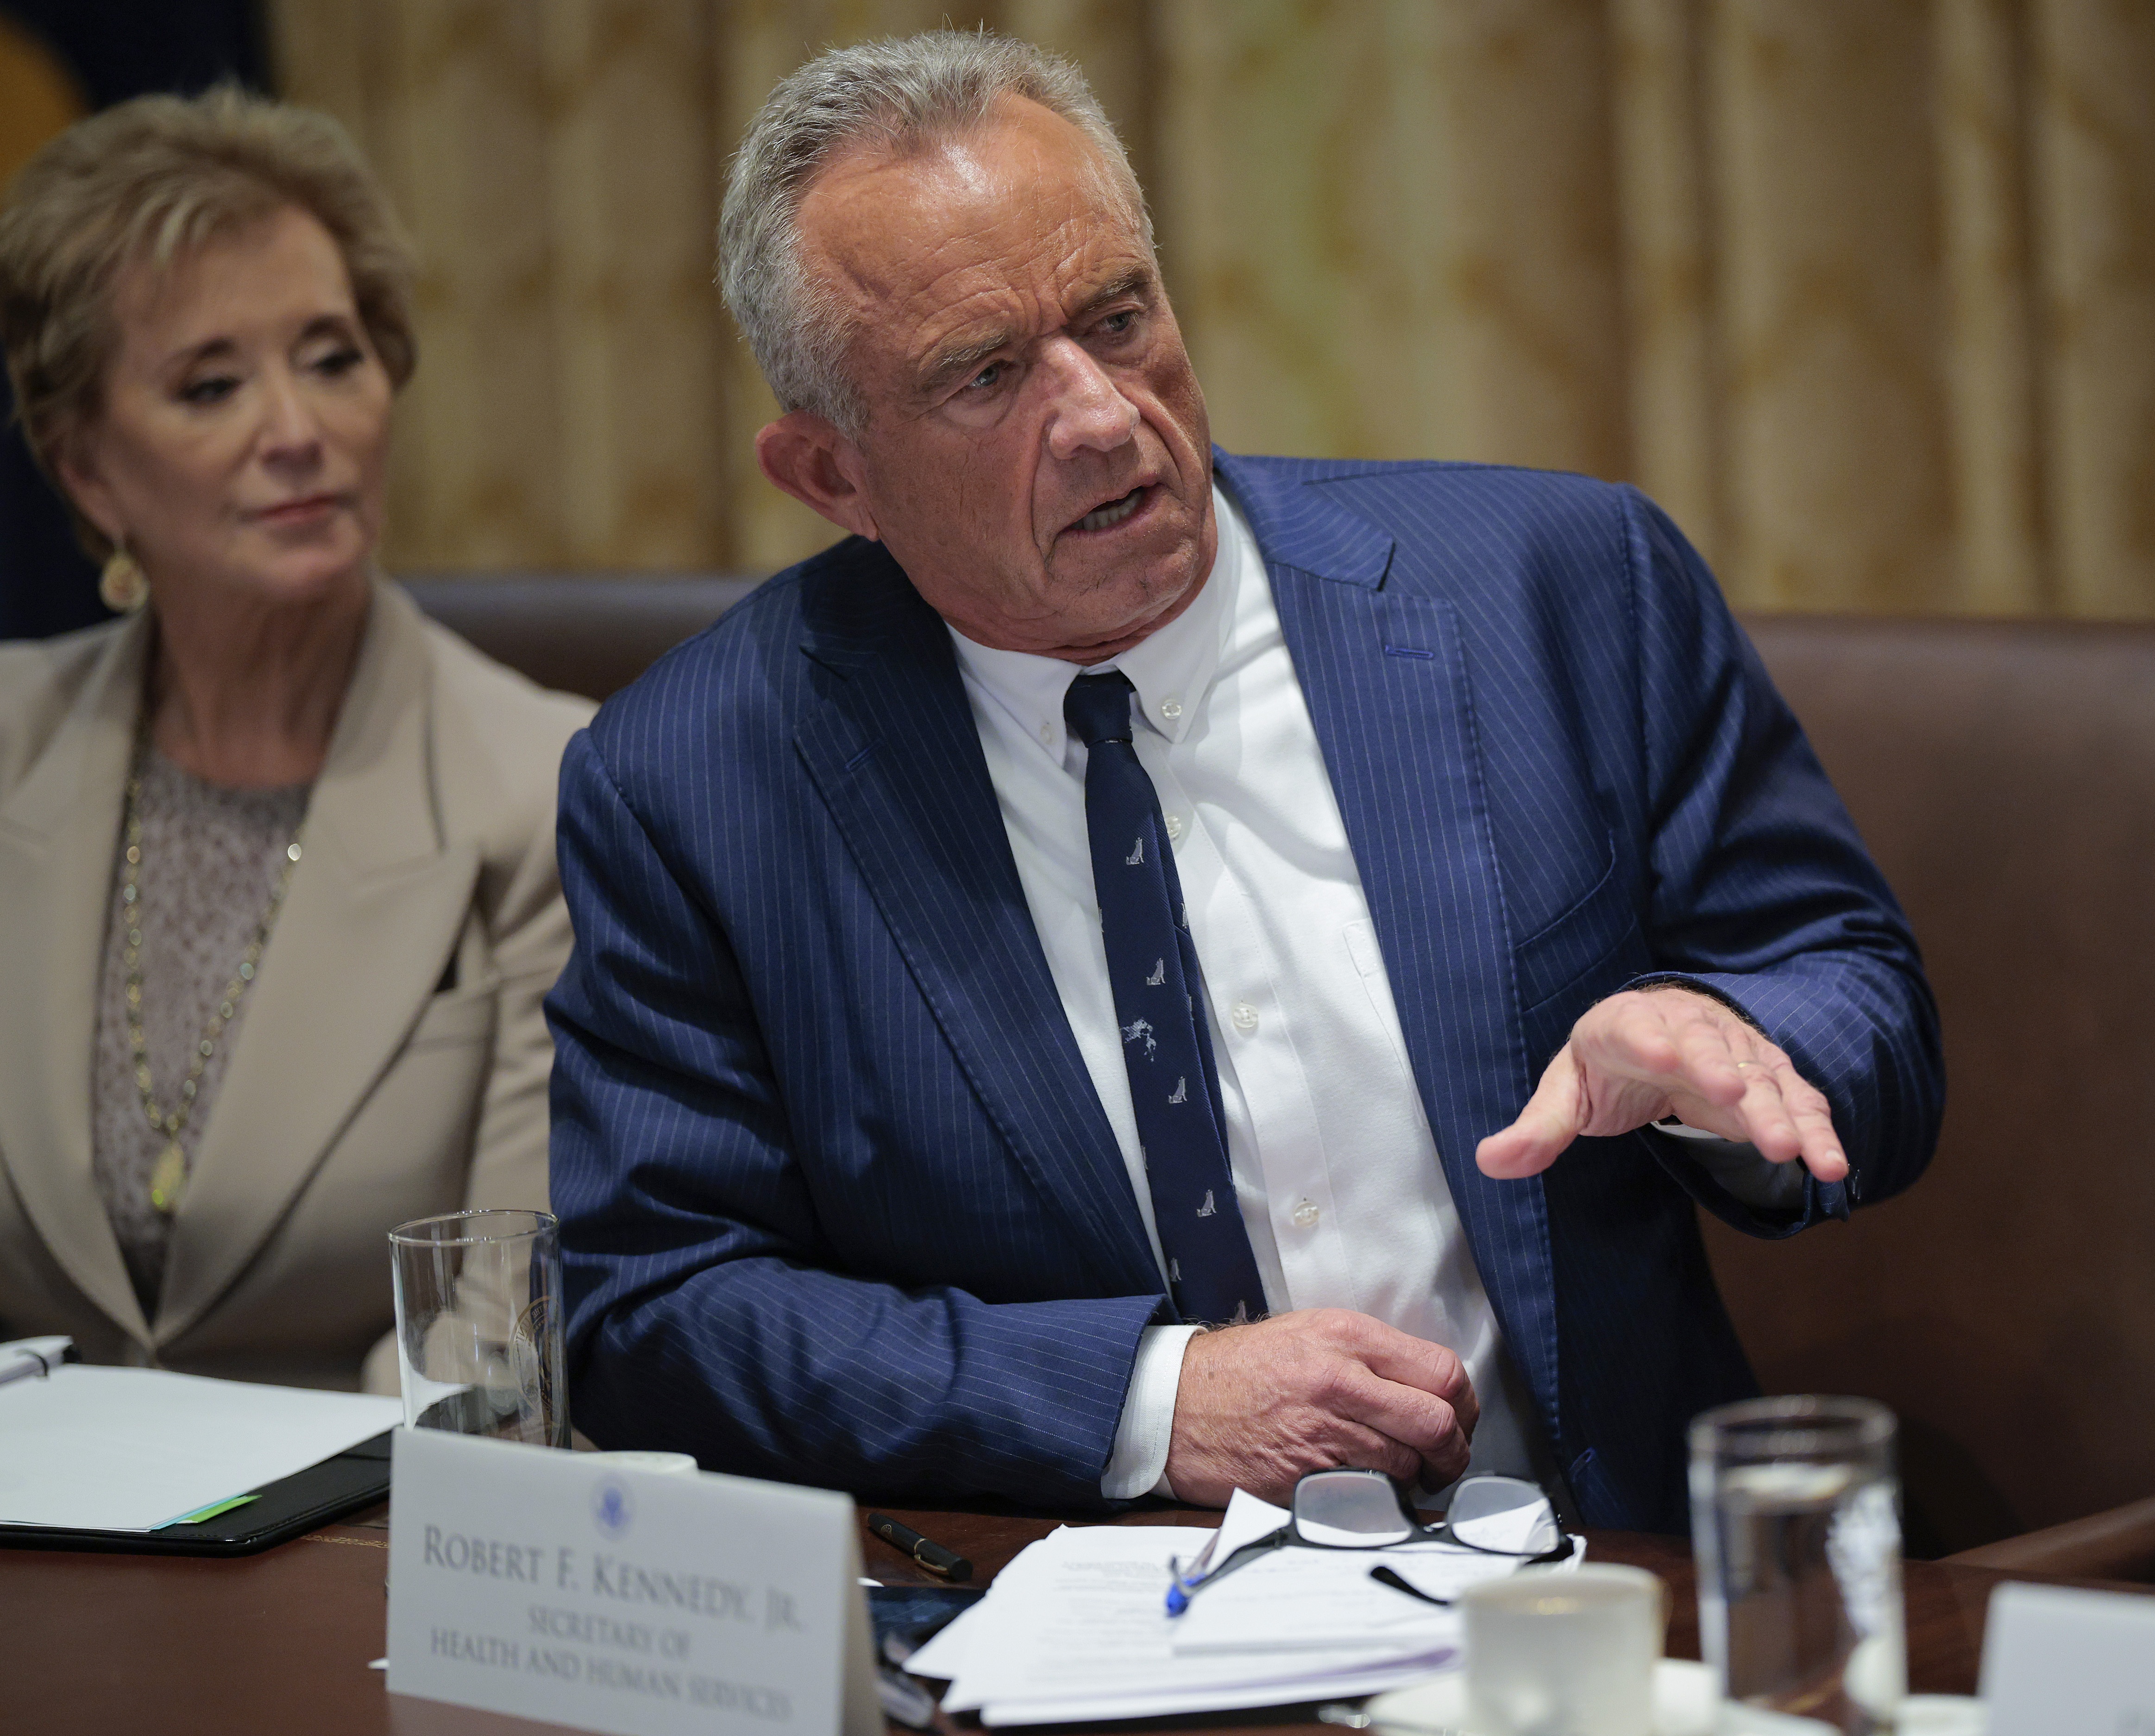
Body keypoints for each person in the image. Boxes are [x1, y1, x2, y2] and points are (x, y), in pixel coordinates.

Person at [548, 33, 1941, 1532]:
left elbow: (1855, 987)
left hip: (1595, 1588)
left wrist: (1725, 1048)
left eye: (1118, 314)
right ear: (834, 478)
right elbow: (656, 1312)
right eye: (986, 374)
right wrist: (1148, 1403)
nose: (1096, 414)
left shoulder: (1555, 588)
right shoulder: (693, 783)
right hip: (1086, 1628)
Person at [0, 89, 591, 1391]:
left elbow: (498, 1346)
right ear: (89, 473)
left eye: (331, 358)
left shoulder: (548, 790)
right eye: (211, 384)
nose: (296, 431)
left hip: (346, 1545)